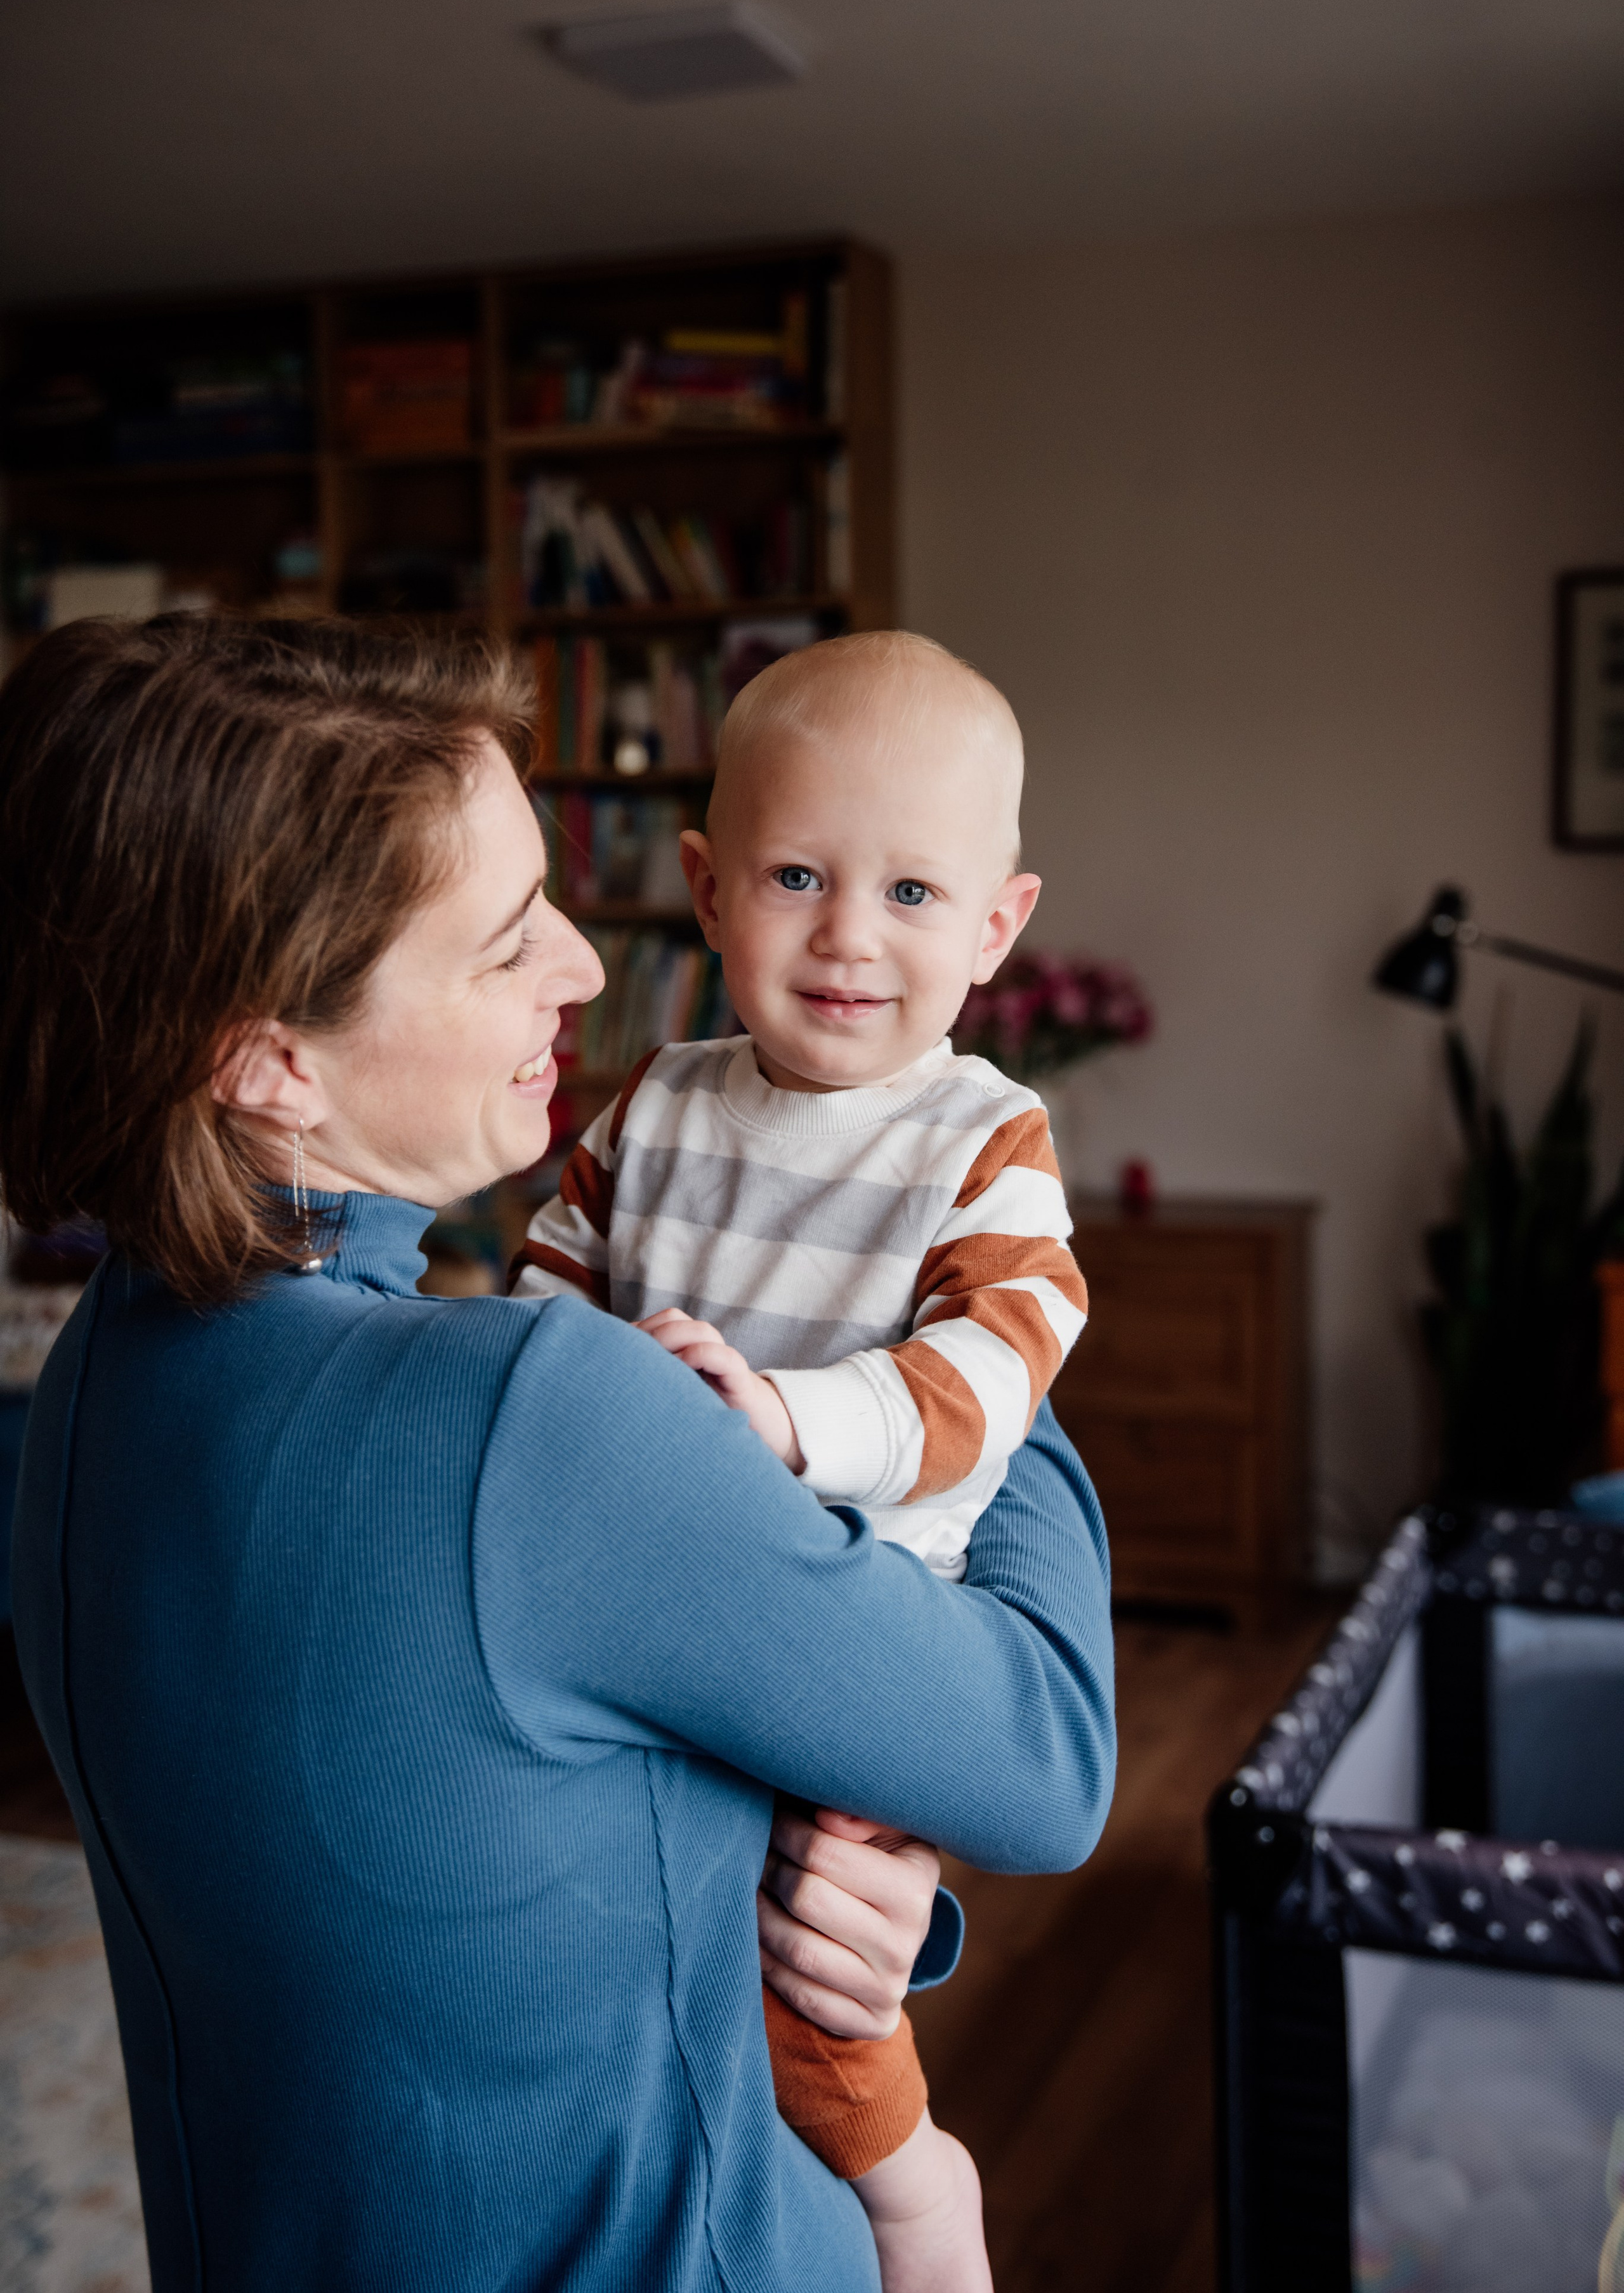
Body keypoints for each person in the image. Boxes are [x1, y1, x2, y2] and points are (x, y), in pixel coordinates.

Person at [0, 615, 1115, 2293]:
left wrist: (834, 1893)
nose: (589, 968)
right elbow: (1045, 1756)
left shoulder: (88, 1392)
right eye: (508, 934)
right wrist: (975, 1322)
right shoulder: (540, 1419)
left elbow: (506, 1815)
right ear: (268, 1057)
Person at [514, 632, 1087, 2288]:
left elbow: (994, 1371)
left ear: (995, 927)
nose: (848, 932)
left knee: (814, 1956)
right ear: (703, 888)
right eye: (795, 874)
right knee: (623, 1930)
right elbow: (555, 1286)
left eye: (913, 893)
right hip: (643, 1604)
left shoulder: (982, 1139)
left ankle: (913, 2186)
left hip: (859, 1627)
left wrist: (781, 1418)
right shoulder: (654, 1110)